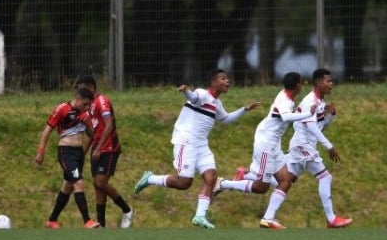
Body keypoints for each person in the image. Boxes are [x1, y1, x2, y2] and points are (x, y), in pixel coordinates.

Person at [133, 68, 261, 229]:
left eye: (227, 78)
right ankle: (150, 178)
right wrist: (186, 91)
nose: (227, 81)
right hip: (185, 141)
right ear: (213, 82)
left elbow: (226, 119)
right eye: (223, 78)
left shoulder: (217, 103)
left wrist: (245, 109)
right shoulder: (202, 94)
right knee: (184, 183)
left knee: (211, 177)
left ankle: (200, 216)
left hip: (201, 144)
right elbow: (194, 98)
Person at [214, 72, 315, 229]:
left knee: (286, 181)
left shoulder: (287, 96)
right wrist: (308, 114)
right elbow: (287, 117)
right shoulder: (285, 101)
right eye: (302, 82)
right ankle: (223, 183)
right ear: (297, 85)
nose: (303, 85)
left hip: (273, 144)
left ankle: (268, 219)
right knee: (261, 187)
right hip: (265, 144)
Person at [271, 68, 352, 228]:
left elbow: (319, 127)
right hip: (303, 145)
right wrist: (329, 146)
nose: (331, 84)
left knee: (284, 180)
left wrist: (331, 116)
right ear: (318, 83)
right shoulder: (311, 101)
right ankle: (331, 219)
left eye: (331, 81)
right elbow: (311, 127)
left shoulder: (320, 102)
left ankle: (243, 180)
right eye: (328, 81)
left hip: (303, 145)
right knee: (325, 177)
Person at [36, 87, 101, 229]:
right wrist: (41, 151)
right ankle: (87, 221)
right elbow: (47, 130)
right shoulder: (62, 109)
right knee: (78, 183)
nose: (87, 107)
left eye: (89, 105)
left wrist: (87, 123)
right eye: (85, 104)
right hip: (66, 152)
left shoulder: (84, 113)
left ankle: (52, 220)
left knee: (68, 187)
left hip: (79, 153)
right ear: (77, 99)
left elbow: (92, 135)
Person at [76, 75, 134, 228]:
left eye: (83, 88)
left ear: (92, 87)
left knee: (100, 182)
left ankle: (127, 209)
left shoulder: (102, 101)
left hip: (109, 148)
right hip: (97, 149)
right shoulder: (88, 107)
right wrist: (81, 153)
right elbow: (92, 133)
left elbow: (109, 125)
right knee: (97, 187)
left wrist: (100, 147)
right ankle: (101, 225)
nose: (80, 92)